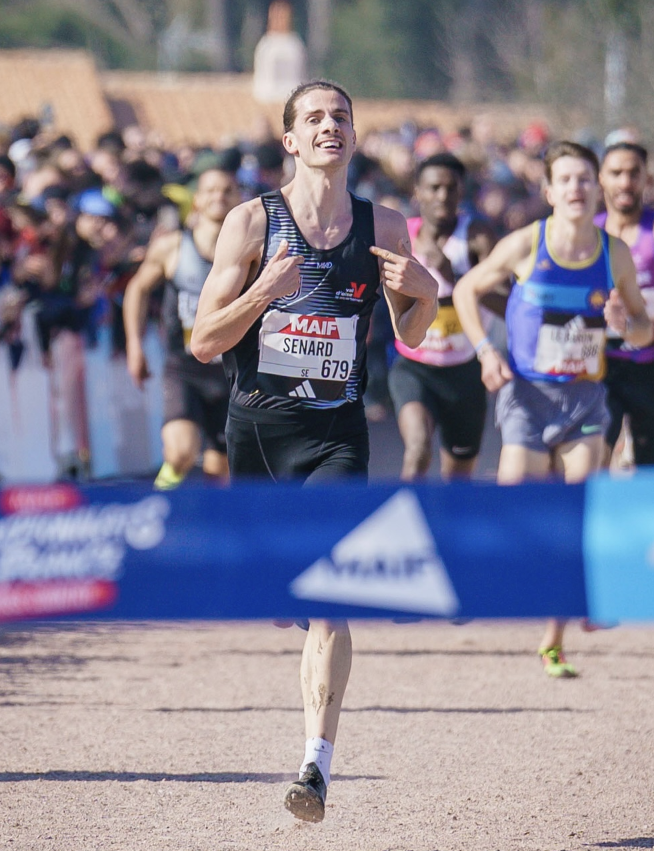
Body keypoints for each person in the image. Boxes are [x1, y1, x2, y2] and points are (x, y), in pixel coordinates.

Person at [190, 79, 439, 822]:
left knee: (330, 600)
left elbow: (414, 334)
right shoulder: (250, 223)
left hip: (337, 434)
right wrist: (265, 289)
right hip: (259, 433)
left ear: (354, 137)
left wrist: (426, 290)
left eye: (342, 117)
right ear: (291, 141)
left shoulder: (385, 226)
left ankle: (314, 765)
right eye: (314, 119)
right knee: (286, 588)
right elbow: (203, 342)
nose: (330, 127)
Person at [452, 140, 652, 678]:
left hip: (585, 398)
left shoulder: (614, 254)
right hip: (528, 395)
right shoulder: (525, 244)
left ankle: (553, 640)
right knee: (518, 501)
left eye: (586, 179)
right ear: (548, 191)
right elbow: (468, 289)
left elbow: (643, 326)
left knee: (577, 512)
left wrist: (622, 325)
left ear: (599, 188)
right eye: (565, 180)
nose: (577, 189)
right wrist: (487, 350)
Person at [123, 164, 242, 488]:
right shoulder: (173, 246)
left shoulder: (252, 250)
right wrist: (135, 344)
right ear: (197, 200)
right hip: (185, 368)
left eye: (227, 190)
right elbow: (137, 288)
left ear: (240, 198)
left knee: (223, 470)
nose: (219, 196)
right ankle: (161, 497)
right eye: (210, 190)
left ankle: (213, 533)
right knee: (180, 454)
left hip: (232, 372)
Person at [388, 152, 499, 480]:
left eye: (451, 188)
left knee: (458, 479)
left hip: (464, 373)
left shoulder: (477, 236)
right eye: (434, 187)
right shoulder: (401, 236)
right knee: (418, 450)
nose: (443, 196)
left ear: (461, 191)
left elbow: (505, 302)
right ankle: (406, 523)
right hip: (414, 368)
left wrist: (452, 273)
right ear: (417, 191)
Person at [595, 141, 654, 468]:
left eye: (634, 173)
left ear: (647, 178)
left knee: (647, 474)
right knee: (593, 458)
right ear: (601, 178)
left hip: (648, 366)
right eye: (616, 172)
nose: (625, 182)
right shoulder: (587, 233)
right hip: (597, 368)